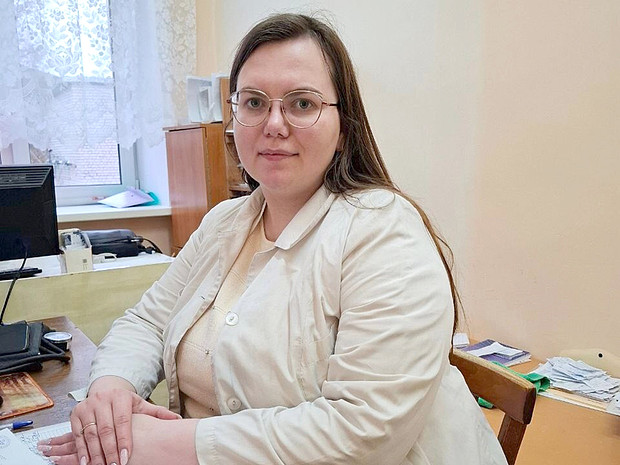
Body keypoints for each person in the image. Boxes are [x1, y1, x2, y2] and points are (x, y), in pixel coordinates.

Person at [40, 13, 508, 465]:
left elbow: (363, 430)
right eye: (254, 102)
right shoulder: (224, 222)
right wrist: (111, 391)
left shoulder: (384, 233)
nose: (274, 124)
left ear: (344, 128)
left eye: (302, 103)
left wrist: (170, 445)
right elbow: (148, 321)